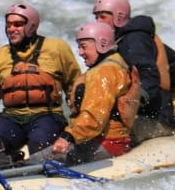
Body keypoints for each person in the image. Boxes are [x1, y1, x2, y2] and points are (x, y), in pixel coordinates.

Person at [0, 2, 82, 159]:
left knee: (40, 142)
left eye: (17, 24)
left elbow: (75, 87)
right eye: (8, 25)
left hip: (47, 115)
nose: (11, 29)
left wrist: (78, 124)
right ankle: (7, 163)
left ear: (31, 26)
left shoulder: (57, 48)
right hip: (11, 117)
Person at [30, 22, 139, 165]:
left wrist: (68, 137)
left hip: (106, 143)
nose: (80, 52)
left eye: (83, 47)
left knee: (35, 161)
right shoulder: (116, 63)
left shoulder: (104, 72)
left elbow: (94, 116)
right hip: (113, 140)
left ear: (101, 44)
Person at [92, 0, 175, 141]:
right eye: (96, 17)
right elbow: (172, 59)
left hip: (153, 120)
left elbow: (149, 75)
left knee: (95, 135)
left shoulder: (134, 39)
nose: (98, 21)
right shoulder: (129, 38)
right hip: (151, 115)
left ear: (119, 16)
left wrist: (135, 101)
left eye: (103, 17)